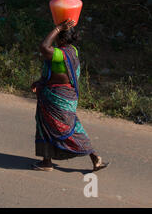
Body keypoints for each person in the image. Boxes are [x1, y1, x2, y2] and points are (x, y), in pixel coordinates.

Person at [30, 19, 109, 172]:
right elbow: (55, 74)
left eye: (58, 37)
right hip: (66, 97)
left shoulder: (60, 54)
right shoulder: (73, 51)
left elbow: (44, 47)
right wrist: (40, 82)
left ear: (62, 38)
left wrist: (58, 28)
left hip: (55, 97)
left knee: (55, 128)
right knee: (71, 127)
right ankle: (94, 158)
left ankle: (47, 162)